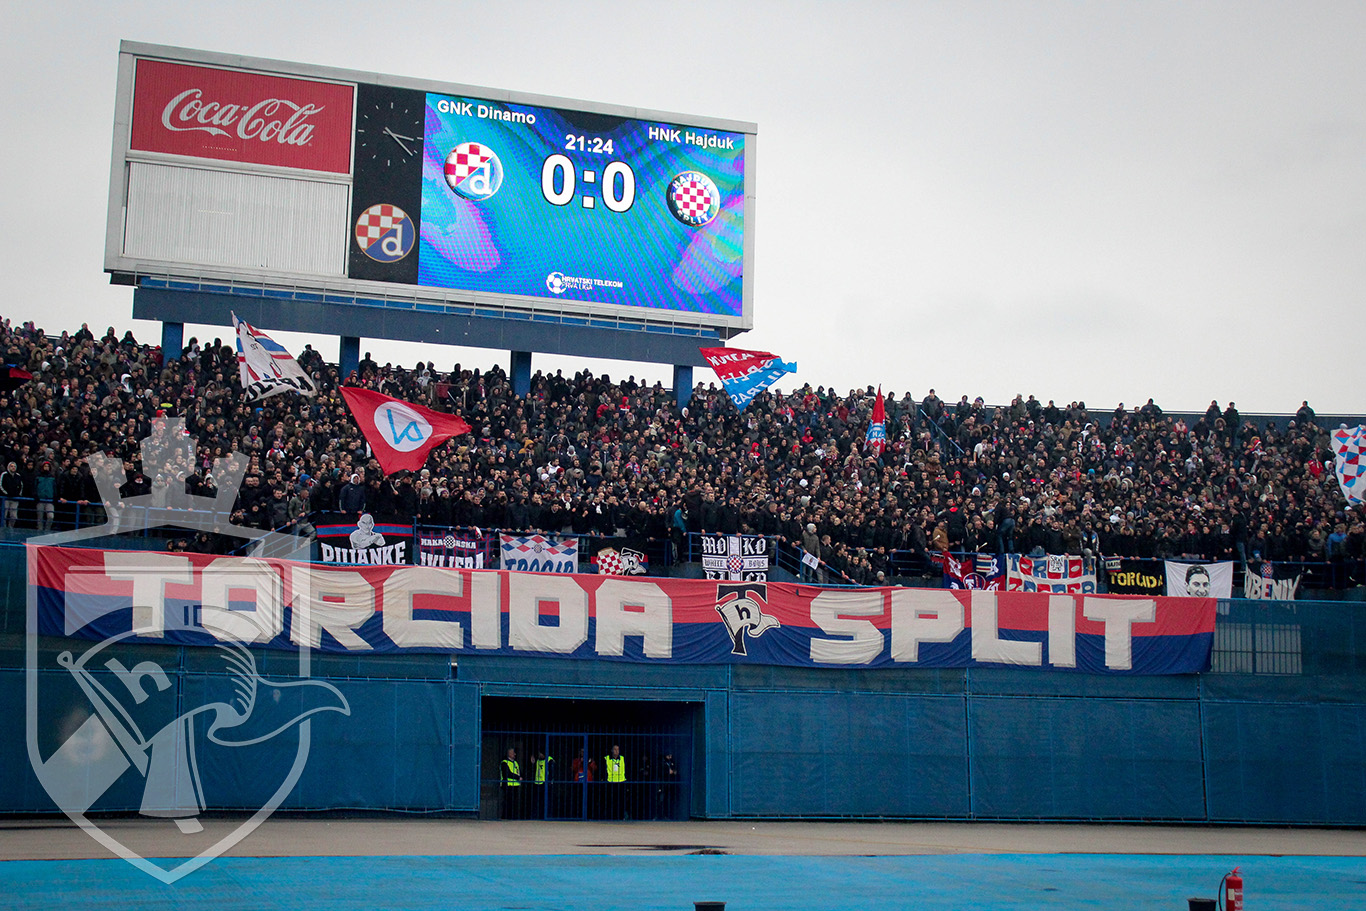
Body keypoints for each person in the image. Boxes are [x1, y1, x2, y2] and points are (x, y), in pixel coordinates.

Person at [603, 744, 626, 819]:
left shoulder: (622, 758)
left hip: (621, 781)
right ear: (612, 750)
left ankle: (620, 816)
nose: (616, 751)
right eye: (615, 749)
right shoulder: (607, 758)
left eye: (618, 749)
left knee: (621, 801)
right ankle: (610, 816)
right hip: (611, 782)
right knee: (611, 801)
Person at [500, 747, 522, 819]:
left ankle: (512, 817)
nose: (515, 754)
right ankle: (505, 817)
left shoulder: (515, 763)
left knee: (514, 803)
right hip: (508, 785)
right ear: (508, 753)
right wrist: (518, 777)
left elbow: (518, 772)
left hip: (515, 785)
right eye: (513, 753)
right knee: (508, 802)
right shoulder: (504, 762)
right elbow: (507, 773)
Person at [0, 461, 24, 529]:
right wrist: (6, 493)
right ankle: (3, 529)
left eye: (14, 466)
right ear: (8, 467)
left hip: (15, 499)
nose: (13, 468)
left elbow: (21, 486)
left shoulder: (18, 476)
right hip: (5, 498)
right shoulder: (4, 474)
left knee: (13, 516)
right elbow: (1, 485)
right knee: (4, 515)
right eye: (11, 466)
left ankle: (10, 528)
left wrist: (18, 495)